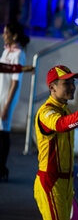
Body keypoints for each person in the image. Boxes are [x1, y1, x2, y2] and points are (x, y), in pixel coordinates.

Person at [33, 65, 78, 220]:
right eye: (66, 83)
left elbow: (66, 121)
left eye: (73, 82)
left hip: (65, 182)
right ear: (52, 87)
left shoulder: (65, 110)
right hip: (51, 182)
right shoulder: (45, 112)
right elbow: (61, 124)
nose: (72, 87)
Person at [0, 22, 30, 182]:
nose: (4, 35)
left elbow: (15, 82)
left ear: (15, 35)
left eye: (6, 32)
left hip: (7, 96)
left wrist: (6, 105)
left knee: (3, 131)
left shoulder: (19, 54)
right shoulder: (7, 50)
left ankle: (2, 167)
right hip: (0, 93)